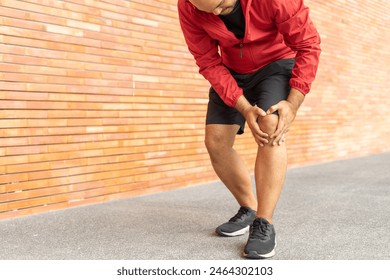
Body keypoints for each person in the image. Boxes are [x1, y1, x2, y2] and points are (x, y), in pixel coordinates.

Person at [177, 0, 321, 259]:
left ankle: (264, 223)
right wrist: (243, 106)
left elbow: (308, 45)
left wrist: (293, 102)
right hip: (232, 70)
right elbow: (208, 61)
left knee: (270, 125)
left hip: (276, 63)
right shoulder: (188, 7)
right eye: (208, 11)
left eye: (221, 5)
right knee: (216, 141)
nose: (218, 14)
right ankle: (249, 208)